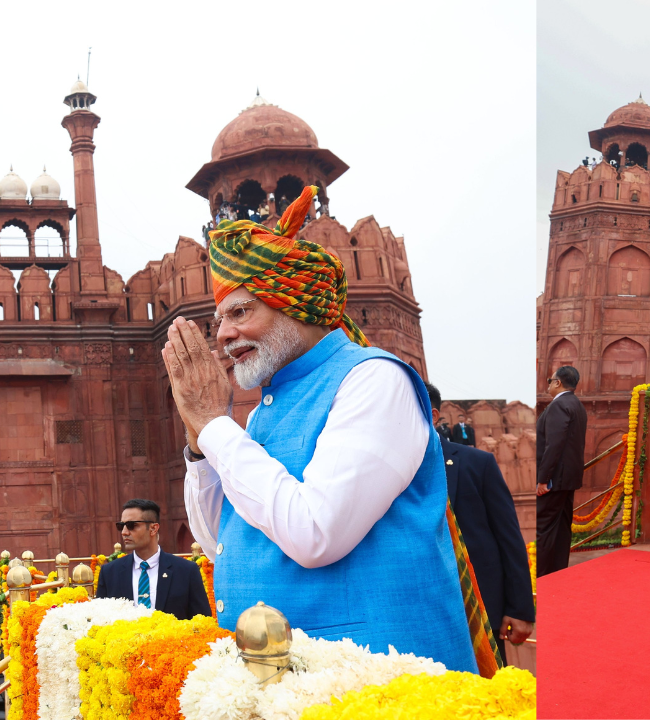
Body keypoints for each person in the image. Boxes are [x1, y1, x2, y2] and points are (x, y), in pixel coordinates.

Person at [168, 185, 477, 672]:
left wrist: (214, 425)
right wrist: (200, 440)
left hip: (379, 685)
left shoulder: (373, 380)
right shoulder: (268, 410)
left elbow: (316, 533)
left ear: (293, 300)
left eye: (240, 312)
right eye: (219, 319)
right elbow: (221, 542)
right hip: (291, 684)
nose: (223, 333)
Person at [426, 382, 535, 664]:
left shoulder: (477, 463)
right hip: (421, 610)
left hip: (479, 606)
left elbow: (508, 537)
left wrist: (520, 608)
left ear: (433, 415)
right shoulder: (387, 472)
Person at [96, 499, 212, 620]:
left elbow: (203, 622)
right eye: (121, 526)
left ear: (153, 528)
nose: (124, 532)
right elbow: (100, 621)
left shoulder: (186, 571)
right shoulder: (110, 572)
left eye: (131, 525)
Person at [534, 365, 587, 577]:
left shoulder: (559, 405)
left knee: (544, 528)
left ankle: (542, 575)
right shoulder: (576, 405)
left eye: (550, 380)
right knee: (561, 528)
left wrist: (543, 479)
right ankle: (558, 573)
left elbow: (554, 445)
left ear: (558, 382)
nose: (548, 384)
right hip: (568, 478)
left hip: (555, 479)